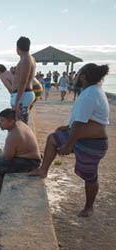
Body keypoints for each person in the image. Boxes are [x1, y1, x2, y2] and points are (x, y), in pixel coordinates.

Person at [28, 63, 110, 217]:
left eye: (79, 73)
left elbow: (80, 124)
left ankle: (89, 207)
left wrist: (68, 145)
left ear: (84, 76)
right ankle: (43, 170)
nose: (76, 76)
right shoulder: (91, 91)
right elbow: (83, 119)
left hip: (92, 142)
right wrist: (68, 126)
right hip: (81, 136)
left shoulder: (90, 94)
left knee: (90, 176)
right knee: (52, 139)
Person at [0, 108, 42, 208]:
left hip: (30, 162)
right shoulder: (18, 125)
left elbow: (7, 157)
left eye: (2, 121)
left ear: (11, 121)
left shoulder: (14, 134)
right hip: (31, 158)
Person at [12, 37, 39, 123]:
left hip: (23, 95)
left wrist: (16, 102)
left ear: (17, 48)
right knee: (19, 123)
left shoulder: (25, 60)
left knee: (20, 124)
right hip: (24, 94)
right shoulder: (29, 59)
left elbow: (23, 81)